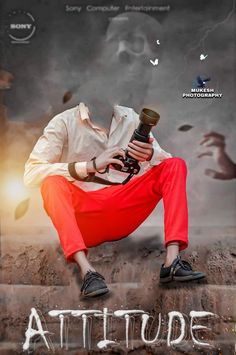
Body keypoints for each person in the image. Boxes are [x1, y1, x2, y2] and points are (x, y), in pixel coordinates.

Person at [24, 102, 205, 298]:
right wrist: (90, 165)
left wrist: (150, 154)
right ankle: (88, 273)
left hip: (123, 207)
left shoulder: (132, 118)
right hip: (85, 220)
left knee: (175, 165)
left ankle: (172, 261)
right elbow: (31, 174)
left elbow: (166, 163)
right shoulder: (63, 122)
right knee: (51, 183)